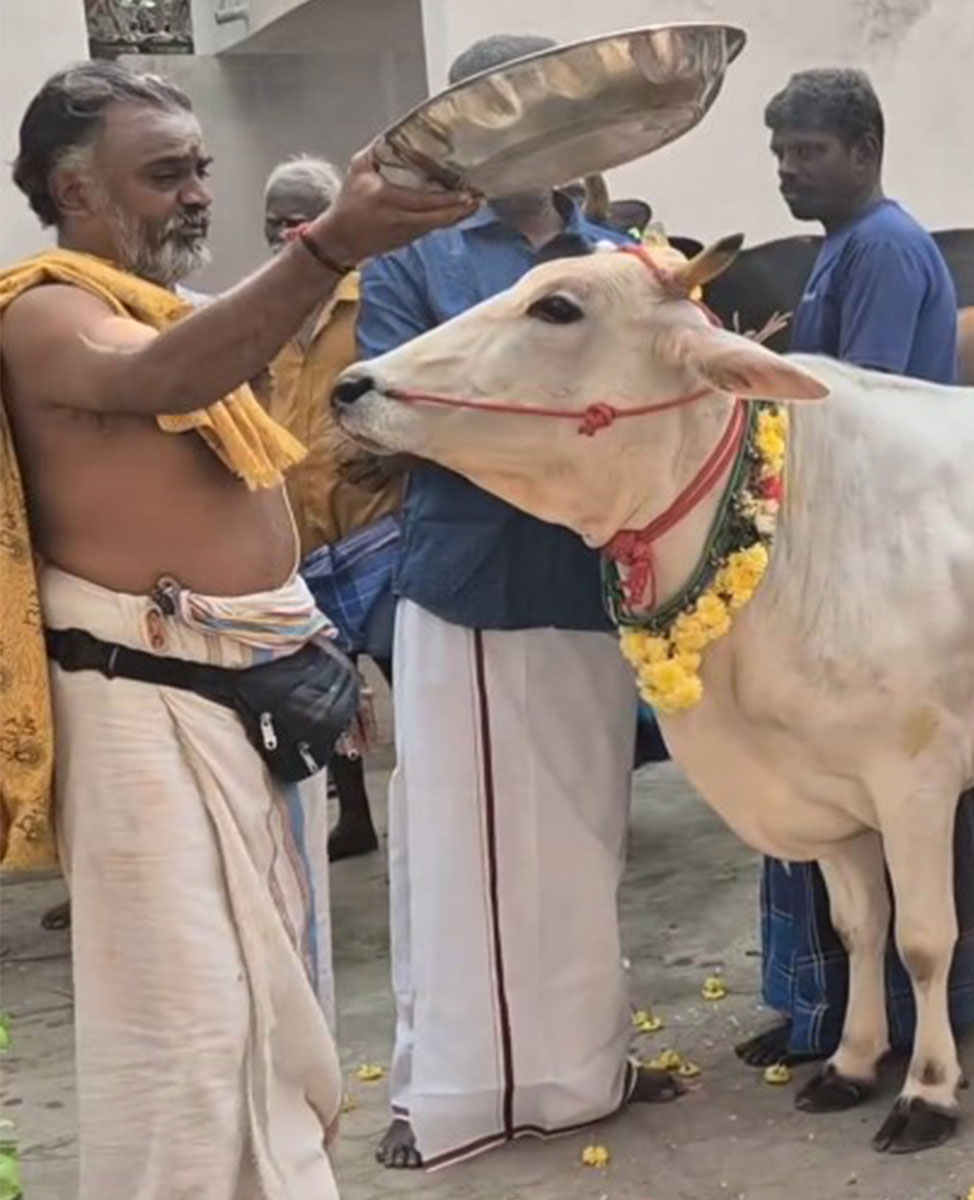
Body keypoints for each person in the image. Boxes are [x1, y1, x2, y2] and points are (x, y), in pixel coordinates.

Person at [0, 60, 475, 1199]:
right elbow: (172, 374)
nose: (198, 194)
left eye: (203, 167)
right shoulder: (44, 314)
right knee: (192, 1031)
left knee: (271, 1014)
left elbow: (235, 331)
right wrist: (329, 245)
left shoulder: (158, 304)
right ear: (76, 193)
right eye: (165, 175)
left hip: (248, 699)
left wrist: (375, 210)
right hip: (143, 707)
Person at [358, 33, 683, 1173]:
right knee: (459, 849)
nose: (535, 141)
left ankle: (581, 1069)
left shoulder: (628, 260)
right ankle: (443, 1093)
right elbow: (391, 415)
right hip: (473, 586)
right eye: (506, 119)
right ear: (467, 133)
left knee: (585, 842)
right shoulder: (418, 264)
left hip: (593, 584)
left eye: (559, 118)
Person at [735, 67, 974, 1075]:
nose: (788, 173)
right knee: (826, 789)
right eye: (780, 155)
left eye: (807, 153)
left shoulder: (883, 249)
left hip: (877, 553)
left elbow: (863, 411)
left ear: (864, 151)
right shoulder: (841, 247)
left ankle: (905, 1011)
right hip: (844, 545)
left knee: (886, 787)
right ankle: (822, 1009)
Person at [262, 153, 403, 861]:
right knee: (328, 689)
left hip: (380, 529)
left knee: (407, 677)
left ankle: (434, 817)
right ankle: (356, 818)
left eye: (303, 218)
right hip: (304, 539)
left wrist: (389, 452)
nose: (289, 234)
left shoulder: (375, 295)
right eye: (276, 222)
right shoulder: (264, 310)